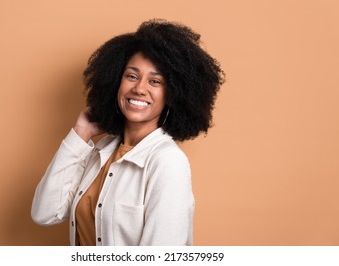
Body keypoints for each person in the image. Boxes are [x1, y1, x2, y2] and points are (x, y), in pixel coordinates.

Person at [31, 19, 224, 246]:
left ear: (173, 94)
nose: (139, 88)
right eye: (132, 76)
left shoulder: (167, 162)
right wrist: (80, 134)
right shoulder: (100, 150)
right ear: (116, 81)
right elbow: (44, 213)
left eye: (155, 81)